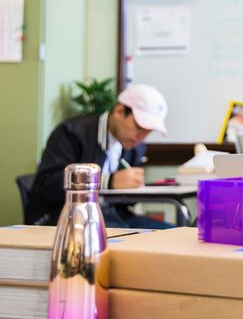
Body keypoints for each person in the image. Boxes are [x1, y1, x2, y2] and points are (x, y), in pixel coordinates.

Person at [27, 84, 172, 229]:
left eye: (149, 132)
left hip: (114, 215)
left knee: (170, 234)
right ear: (119, 111)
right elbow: (47, 184)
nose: (142, 137)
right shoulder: (72, 133)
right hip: (70, 217)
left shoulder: (135, 147)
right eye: (140, 127)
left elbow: (125, 201)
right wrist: (108, 181)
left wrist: (136, 187)